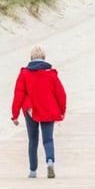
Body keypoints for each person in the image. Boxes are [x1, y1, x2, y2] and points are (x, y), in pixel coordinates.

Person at [10, 45, 67, 179]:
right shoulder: (51, 74)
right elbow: (61, 94)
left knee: (33, 140)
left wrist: (15, 115)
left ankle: (33, 171)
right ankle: (50, 161)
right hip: (49, 109)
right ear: (44, 58)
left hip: (31, 110)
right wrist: (62, 111)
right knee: (48, 140)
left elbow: (18, 94)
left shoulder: (24, 74)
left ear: (31, 58)